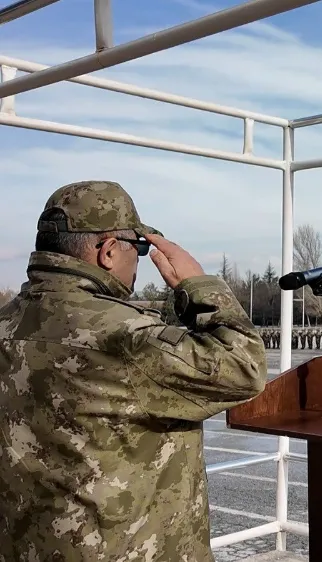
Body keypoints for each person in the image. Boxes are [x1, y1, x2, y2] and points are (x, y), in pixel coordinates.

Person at [0, 180, 268, 561]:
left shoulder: (5, 327)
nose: (140, 261)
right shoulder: (125, 339)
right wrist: (198, 285)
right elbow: (245, 365)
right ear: (109, 252)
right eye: (139, 248)